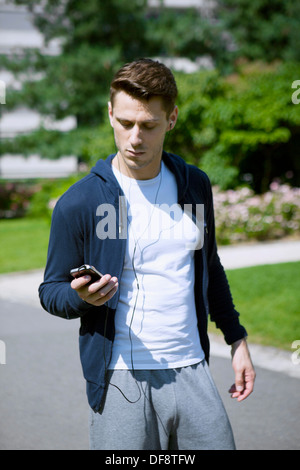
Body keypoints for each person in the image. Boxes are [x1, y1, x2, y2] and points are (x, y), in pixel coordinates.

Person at [39, 58, 255, 450]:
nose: (134, 138)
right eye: (125, 123)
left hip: (191, 366)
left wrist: (236, 339)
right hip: (121, 375)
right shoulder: (82, 201)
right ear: (109, 114)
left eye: (149, 125)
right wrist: (80, 297)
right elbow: (50, 290)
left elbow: (209, 267)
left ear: (171, 119)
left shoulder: (194, 186)